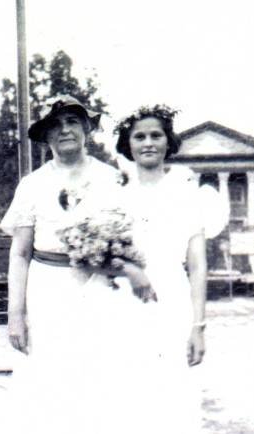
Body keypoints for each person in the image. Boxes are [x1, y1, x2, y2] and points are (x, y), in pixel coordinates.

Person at [0, 95, 123, 433]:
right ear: (45, 136)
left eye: (73, 122)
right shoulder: (32, 185)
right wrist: (15, 314)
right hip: (47, 289)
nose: (65, 130)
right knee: (48, 378)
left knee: (97, 376)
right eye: (56, 125)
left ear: (87, 129)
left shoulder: (111, 179)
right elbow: (19, 254)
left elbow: (127, 238)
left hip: (99, 286)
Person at [107, 104, 208, 433]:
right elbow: (97, 251)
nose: (148, 142)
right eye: (139, 136)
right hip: (122, 297)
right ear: (128, 144)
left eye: (155, 135)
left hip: (172, 298)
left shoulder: (187, 192)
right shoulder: (114, 193)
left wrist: (198, 325)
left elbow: (197, 262)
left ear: (168, 141)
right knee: (127, 390)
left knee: (172, 390)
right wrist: (130, 270)